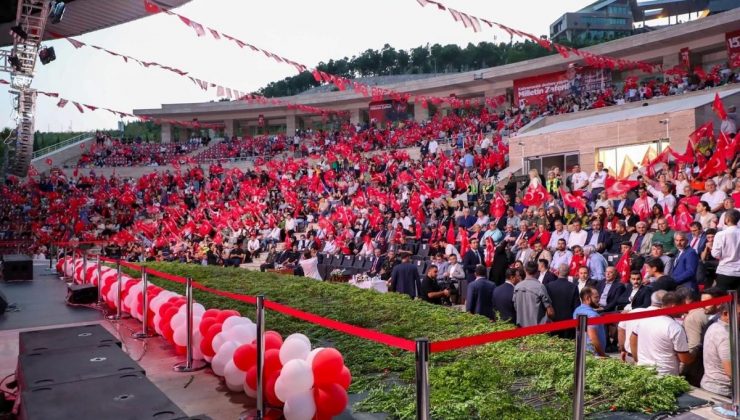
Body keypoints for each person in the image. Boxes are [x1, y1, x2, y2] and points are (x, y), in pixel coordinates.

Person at [630, 291, 694, 375]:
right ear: (674, 306)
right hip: (665, 376)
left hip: (643, 371)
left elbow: (632, 340)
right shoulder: (674, 327)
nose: (685, 310)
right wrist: (695, 354)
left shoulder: (644, 319)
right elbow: (684, 359)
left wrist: (638, 360)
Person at [701, 302, 737, 398]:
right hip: (721, 391)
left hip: (711, 386)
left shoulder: (714, 326)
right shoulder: (725, 335)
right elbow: (730, 370)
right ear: (725, 313)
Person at [513, 261, 554, 327]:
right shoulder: (540, 287)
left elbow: (515, 307)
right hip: (537, 329)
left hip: (521, 327)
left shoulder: (517, 287)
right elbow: (550, 311)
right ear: (537, 271)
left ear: (525, 270)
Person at [546, 264, 580, 339]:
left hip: (553, 320)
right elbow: (577, 306)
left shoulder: (549, 285)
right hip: (568, 321)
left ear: (557, 272)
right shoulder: (573, 287)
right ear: (569, 273)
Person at [711, 209, 740, 291]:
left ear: (727, 219)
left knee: (724, 301)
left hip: (725, 271)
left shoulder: (720, 234)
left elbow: (715, 254)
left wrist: (711, 248)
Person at [573, 286, 607, 357]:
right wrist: (602, 355)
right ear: (587, 298)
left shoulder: (577, 310)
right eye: (596, 297)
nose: (598, 300)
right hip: (594, 355)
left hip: (582, 352)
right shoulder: (592, 315)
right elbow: (593, 338)